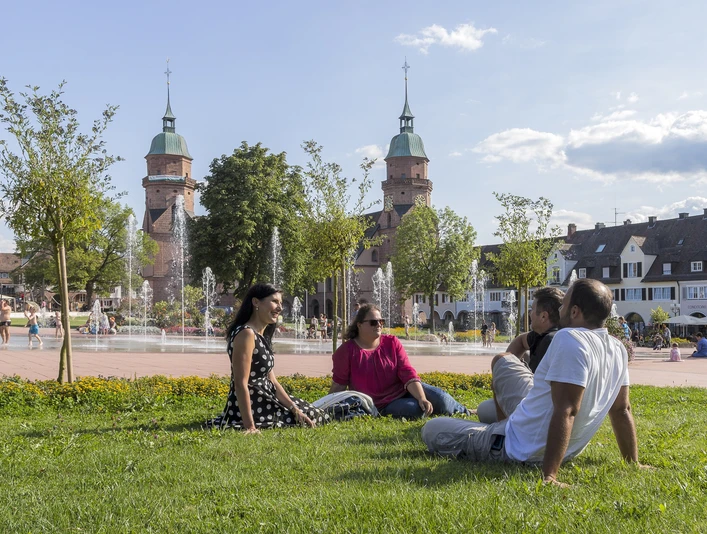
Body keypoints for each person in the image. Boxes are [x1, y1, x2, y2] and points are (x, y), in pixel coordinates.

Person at [422, 279, 645, 486]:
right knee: (503, 364)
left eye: (564, 304)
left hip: (518, 448)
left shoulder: (569, 338)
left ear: (575, 312)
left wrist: (550, 475)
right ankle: (500, 425)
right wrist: (633, 462)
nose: (560, 310)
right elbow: (622, 410)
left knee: (432, 429)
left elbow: (566, 410)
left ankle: (497, 432)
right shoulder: (617, 349)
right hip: (559, 445)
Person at [206, 283, 331, 431]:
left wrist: (295, 409)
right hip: (255, 405)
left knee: (316, 414)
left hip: (268, 399)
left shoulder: (260, 335)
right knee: (316, 417)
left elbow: (272, 381)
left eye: (280, 303)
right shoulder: (246, 334)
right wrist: (250, 427)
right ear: (256, 302)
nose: (280, 307)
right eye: (274, 301)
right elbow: (240, 383)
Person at [329, 303, 469, 419]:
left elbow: (407, 371)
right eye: (373, 322)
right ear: (359, 325)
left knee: (441, 399)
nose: (378, 325)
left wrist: (421, 397)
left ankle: (466, 412)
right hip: (381, 404)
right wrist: (326, 407)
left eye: (381, 321)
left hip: (404, 388)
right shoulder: (346, 351)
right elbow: (339, 384)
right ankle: (430, 408)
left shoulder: (392, 342)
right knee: (415, 410)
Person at [476, 287, 564, 423]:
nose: (530, 313)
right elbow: (521, 340)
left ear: (543, 316)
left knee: (484, 410)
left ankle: (503, 431)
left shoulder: (550, 341)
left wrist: (502, 372)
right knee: (484, 408)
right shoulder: (543, 335)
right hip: (537, 403)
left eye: (533, 309)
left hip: (538, 412)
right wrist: (508, 369)